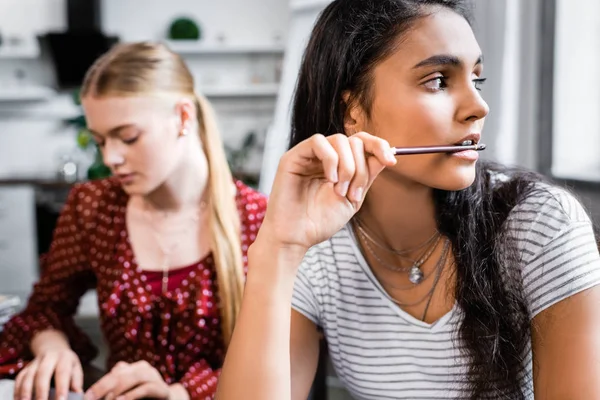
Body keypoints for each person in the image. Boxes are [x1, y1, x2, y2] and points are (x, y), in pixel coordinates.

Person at [215, 0, 600, 399]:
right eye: (438, 80)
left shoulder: (542, 224)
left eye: (477, 79)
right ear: (353, 113)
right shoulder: (318, 251)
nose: (478, 107)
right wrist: (279, 247)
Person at [0, 42, 267, 400]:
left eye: (128, 137)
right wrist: (53, 348)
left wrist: (179, 394)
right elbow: (45, 308)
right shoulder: (93, 207)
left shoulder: (259, 220)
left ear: (184, 117)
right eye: (99, 141)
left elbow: (279, 362)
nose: (111, 157)